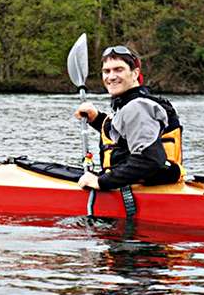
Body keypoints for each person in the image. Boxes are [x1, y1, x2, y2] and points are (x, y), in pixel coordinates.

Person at [74, 45, 184, 190]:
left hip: (149, 191)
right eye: (106, 71)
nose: (111, 76)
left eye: (119, 69)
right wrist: (97, 119)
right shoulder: (135, 103)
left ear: (135, 73)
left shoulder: (138, 107)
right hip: (150, 183)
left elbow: (149, 160)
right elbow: (126, 138)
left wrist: (101, 182)